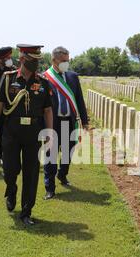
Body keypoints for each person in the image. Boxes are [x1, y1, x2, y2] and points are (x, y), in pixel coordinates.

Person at [0, 44, 53, 226]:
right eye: (33, 60)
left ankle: (26, 211)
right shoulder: (8, 79)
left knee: (31, 173)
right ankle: (11, 189)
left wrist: (50, 133)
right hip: (11, 132)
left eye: (38, 60)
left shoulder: (42, 82)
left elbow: (47, 110)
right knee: (10, 169)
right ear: (22, 59)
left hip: (34, 133)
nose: (36, 64)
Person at [43, 46, 89, 200]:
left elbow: (79, 100)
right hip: (52, 122)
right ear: (54, 60)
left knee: (68, 153)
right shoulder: (45, 78)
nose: (66, 63)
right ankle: (50, 188)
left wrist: (85, 121)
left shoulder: (72, 77)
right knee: (51, 155)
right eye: (63, 61)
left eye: (68, 61)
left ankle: (62, 175)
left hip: (69, 122)